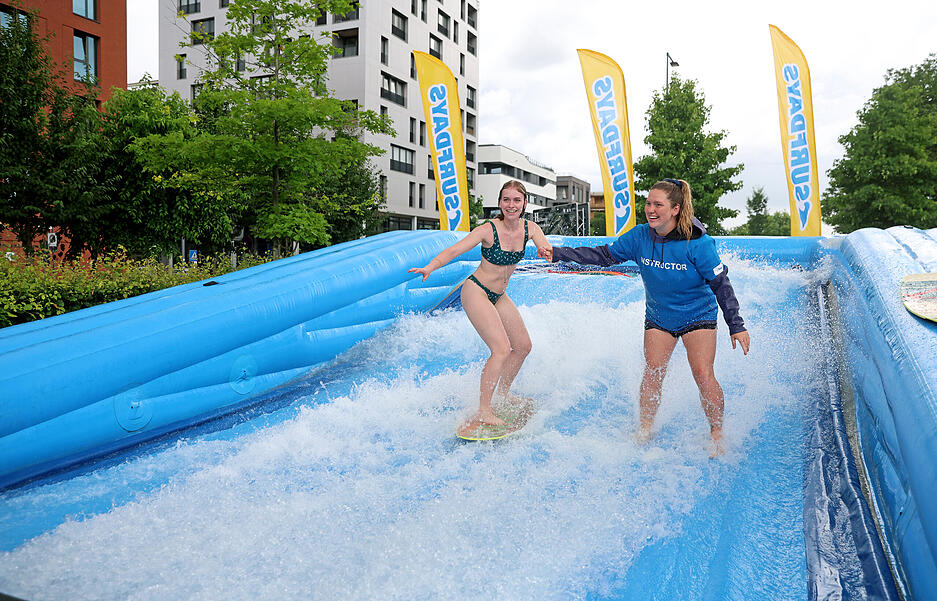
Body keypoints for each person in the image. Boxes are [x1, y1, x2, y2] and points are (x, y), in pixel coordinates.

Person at [538, 178, 749, 453]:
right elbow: (604, 255)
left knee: (702, 373)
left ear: (675, 209)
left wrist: (736, 325)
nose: (650, 209)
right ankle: (646, 427)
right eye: (648, 203)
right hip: (660, 316)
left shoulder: (698, 243)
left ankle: (717, 432)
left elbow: (721, 284)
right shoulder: (639, 237)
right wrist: (558, 253)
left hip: (698, 315)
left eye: (658, 204)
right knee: (653, 372)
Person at [410, 180, 552, 435]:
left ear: (524, 204)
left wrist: (544, 249)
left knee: (523, 346)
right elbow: (455, 250)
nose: (511, 205)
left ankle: (504, 394)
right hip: (476, 291)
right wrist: (430, 267)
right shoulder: (488, 230)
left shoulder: (531, 228)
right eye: (506, 200)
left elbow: (543, 244)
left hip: (499, 295)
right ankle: (484, 410)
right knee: (500, 349)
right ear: (499, 203)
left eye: (516, 201)